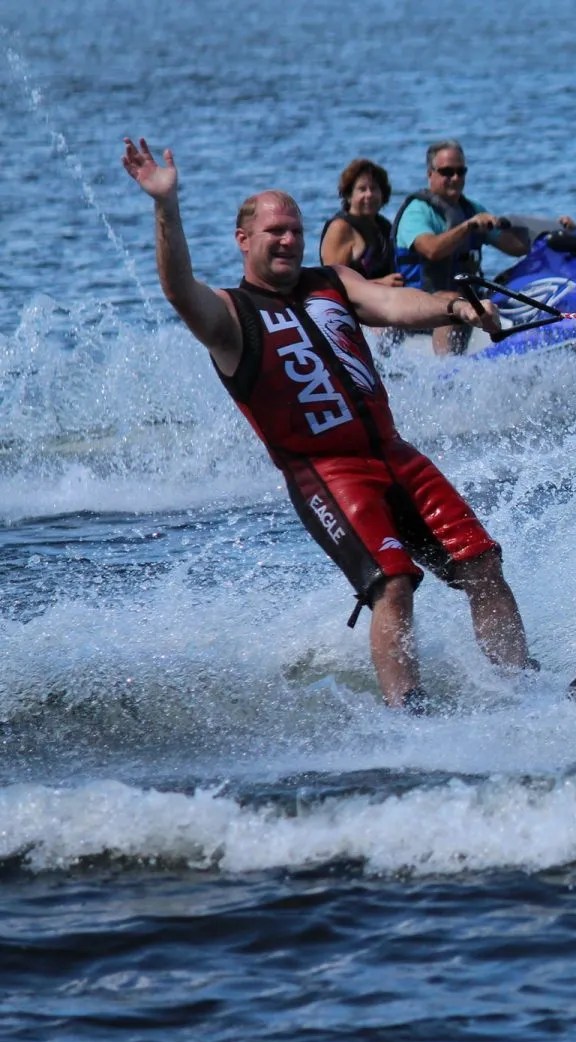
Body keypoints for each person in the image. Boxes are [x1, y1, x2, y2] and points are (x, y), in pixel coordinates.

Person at [121, 137, 532, 710]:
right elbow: (178, 290)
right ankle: (410, 714)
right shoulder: (230, 318)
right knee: (394, 584)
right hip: (329, 474)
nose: (289, 240)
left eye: (294, 229)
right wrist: (165, 206)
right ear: (244, 242)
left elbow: (395, 306)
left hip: (393, 453)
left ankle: (521, 687)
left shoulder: (332, 283)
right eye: (274, 232)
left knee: (482, 562)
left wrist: (455, 306)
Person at [391, 139, 576, 353]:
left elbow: (514, 247)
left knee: (519, 292)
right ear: (430, 174)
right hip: (419, 300)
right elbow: (431, 250)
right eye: (447, 172)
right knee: (457, 301)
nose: (455, 178)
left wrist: (557, 232)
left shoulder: (471, 208)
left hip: (465, 297)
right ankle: (445, 370)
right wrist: (467, 227)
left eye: (461, 171)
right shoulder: (417, 211)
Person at [319, 158, 403, 285]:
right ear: (348, 195)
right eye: (362, 189)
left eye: (374, 188)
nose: (369, 194)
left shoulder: (384, 226)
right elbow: (333, 283)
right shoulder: (340, 228)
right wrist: (380, 283)